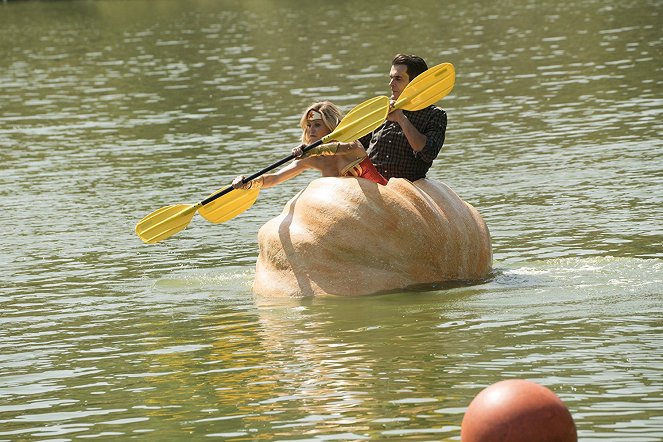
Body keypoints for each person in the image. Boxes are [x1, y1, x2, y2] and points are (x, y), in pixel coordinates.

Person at [232, 101, 388, 190]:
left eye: (318, 125)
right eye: (309, 125)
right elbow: (275, 178)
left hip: (383, 200)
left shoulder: (351, 145)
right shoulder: (311, 158)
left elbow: (340, 148)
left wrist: (310, 151)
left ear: (330, 126)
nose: (311, 130)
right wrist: (248, 183)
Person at [358, 54, 447, 182]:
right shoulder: (382, 110)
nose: (391, 84)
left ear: (416, 84)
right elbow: (358, 144)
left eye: (398, 79)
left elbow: (428, 153)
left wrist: (401, 119)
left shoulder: (435, 115)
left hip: (409, 187)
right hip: (374, 182)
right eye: (391, 78)